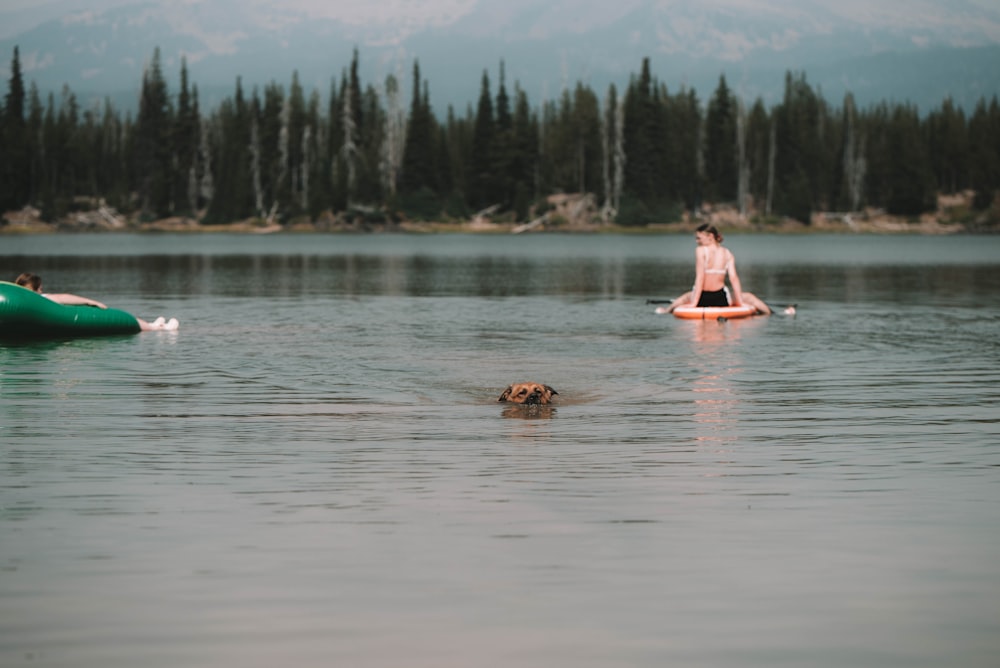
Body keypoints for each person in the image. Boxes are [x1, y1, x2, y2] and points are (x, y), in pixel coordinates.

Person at [662, 224, 793, 316]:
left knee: (685, 297)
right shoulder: (727, 253)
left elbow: (700, 278)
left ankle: (666, 311)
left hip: (702, 298)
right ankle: (777, 314)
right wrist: (740, 302)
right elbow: (734, 279)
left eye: (699, 238)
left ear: (710, 236)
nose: (697, 241)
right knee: (749, 297)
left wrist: (694, 303)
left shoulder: (701, 251)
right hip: (721, 299)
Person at [15, 273, 178, 331]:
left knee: (127, 320)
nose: (42, 291)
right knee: (128, 320)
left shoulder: (21, 302)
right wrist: (91, 301)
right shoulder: (40, 299)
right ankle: (155, 326)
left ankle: (156, 327)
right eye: (40, 288)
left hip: (58, 319)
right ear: (35, 289)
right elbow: (63, 297)